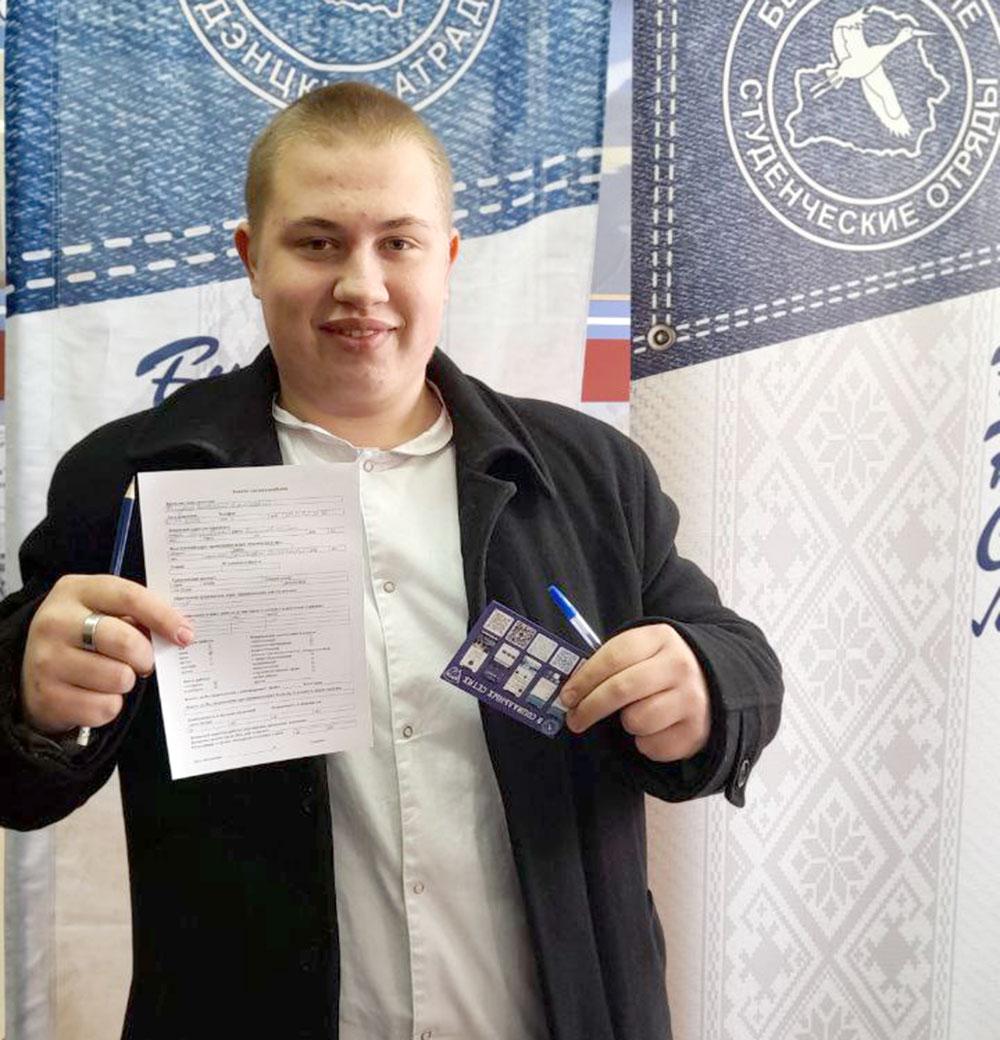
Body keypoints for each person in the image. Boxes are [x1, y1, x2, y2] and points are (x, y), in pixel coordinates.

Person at [0, 83, 783, 1040]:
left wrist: (703, 686)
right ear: (251, 259)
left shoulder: (588, 473)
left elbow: (737, 661)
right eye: (317, 242)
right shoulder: (128, 477)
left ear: (446, 259)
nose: (361, 285)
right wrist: (30, 695)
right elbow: (21, 781)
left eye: (398, 243)